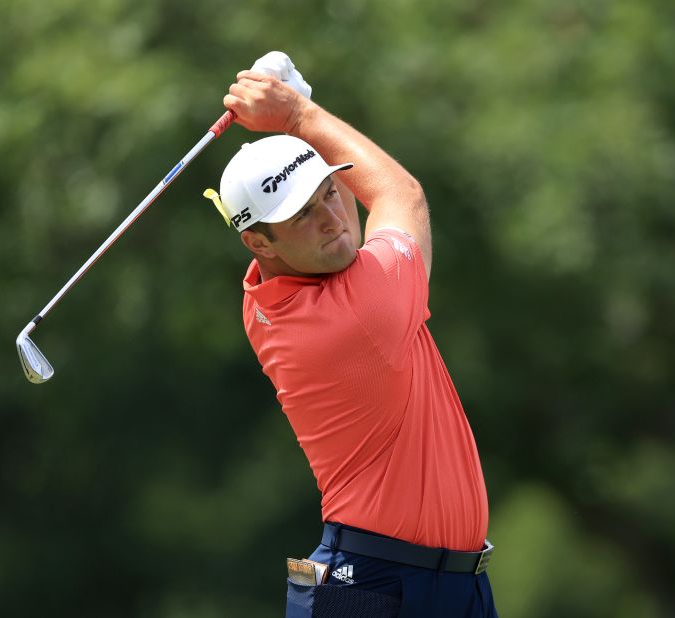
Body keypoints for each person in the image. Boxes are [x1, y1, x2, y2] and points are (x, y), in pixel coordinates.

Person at [205, 60, 498, 617]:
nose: (332, 219)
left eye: (327, 193)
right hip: (373, 588)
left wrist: (300, 128)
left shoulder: (267, 297)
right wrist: (297, 113)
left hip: (432, 584)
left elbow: (352, 219)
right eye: (302, 215)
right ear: (258, 242)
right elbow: (399, 195)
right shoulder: (360, 314)